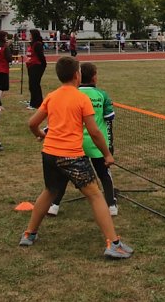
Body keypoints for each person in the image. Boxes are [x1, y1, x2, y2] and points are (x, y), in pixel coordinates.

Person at [20, 56, 134, 259]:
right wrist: (107, 154)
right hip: (71, 156)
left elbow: (31, 123)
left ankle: (29, 233)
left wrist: (41, 135)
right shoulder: (82, 98)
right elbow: (95, 132)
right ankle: (113, 243)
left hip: (49, 154)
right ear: (76, 75)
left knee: (50, 191)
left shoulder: (52, 96)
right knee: (96, 195)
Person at [48, 62, 118, 216]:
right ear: (94, 77)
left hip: (76, 143)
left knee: (65, 175)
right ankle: (111, 205)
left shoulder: (73, 94)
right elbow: (109, 117)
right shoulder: (102, 95)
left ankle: (54, 205)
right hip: (96, 144)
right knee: (104, 174)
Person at [26, 29, 47, 110]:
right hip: (31, 66)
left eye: (30, 34)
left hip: (37, 66)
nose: (29, 36)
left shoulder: (37, 44)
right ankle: (34, 101)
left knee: (34, 85)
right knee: (32, 85)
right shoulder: (31, 44)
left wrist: (43, 65)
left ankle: (36, 103)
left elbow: (41, 56)